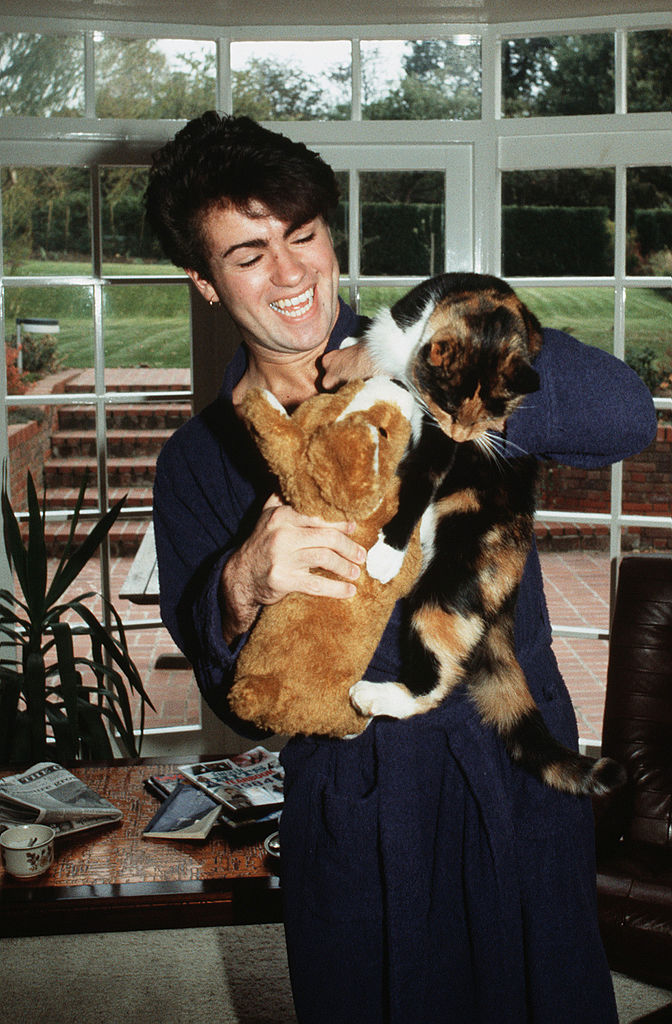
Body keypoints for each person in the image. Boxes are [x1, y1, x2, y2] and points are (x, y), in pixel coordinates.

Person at [145, 111, 657, 1024]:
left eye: (304, 235)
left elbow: (626, 417)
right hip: (354, 792)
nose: (292, 272)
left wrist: (435, 374)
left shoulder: (436, 344)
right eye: (250, 254)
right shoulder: (196, 462)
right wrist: (241, 584)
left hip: (509, 747)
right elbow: (235, 698)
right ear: (204, 281)